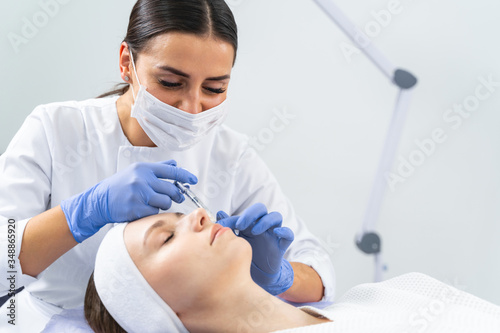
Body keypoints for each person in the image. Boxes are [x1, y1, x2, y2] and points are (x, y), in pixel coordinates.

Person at [0, 0, 335, 331]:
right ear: (126, 63)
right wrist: (84, 213)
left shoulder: (231, 155)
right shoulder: (57, 128)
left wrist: (278, 277)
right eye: (171, 83)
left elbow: (320, 274)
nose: (192, 107)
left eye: (214, 88)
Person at [82, 209, 500, 333]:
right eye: (167, 238)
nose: (198, 216)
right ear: (155, 313)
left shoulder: (383, 293)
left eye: (180, 214)